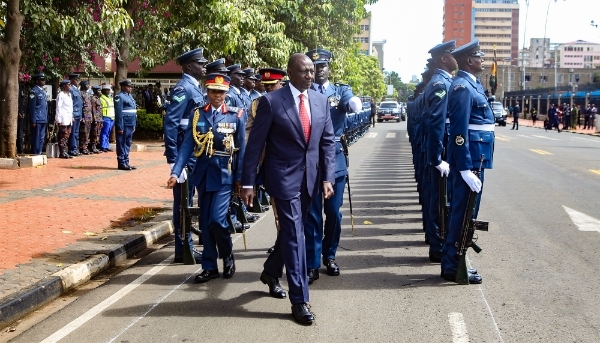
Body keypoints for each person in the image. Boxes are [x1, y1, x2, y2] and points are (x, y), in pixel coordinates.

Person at [241, 53, 336, 325]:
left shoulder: (320, 101)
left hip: (311, 179)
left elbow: (327, 142)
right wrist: (248, 182)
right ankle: (300, 300)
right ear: (290, 73)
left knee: (296, 231)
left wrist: (328, 177)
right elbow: (255, 145)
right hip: (282, 178)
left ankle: (271, 271)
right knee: (295, 235)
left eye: (312, 71)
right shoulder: (271, 102)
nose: (309, 75)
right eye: (304, 71)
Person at [168, 73, 246, 282]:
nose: (217, 96)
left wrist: (241, 178)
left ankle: (227, 253)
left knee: (217, 221)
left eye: (221, 92)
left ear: (226, 93)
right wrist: (176, 172)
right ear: (207, 92)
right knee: (204, 222)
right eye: (213, 91)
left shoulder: (235, 115)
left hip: (224, 175)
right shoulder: (197, 115)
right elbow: (187, 146)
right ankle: (209, 266)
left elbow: (242, 149)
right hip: (202, 174)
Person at [303, 48, 362, 283]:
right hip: (309, 159)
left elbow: (350, 103)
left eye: (323, 66)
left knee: (333, 214)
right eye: (315, 67)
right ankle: (312, 261)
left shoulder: (340, 91)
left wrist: (354, 103)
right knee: (313, 215)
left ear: (329, 68)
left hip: (334, 158)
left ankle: (330, 255)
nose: (319, 70)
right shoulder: (302, 91)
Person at [443, 39, 495, 285]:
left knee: (467, 214)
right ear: (468, 61)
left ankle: (456, 262)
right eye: (478, 56)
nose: (482, 60)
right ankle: (453, 266)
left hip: (477, 158)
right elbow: (459, 131)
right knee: (461, 214)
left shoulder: (471, 85)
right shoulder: (462, 87)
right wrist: (463, 168)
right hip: (469, 161)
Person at [164, 47, 207, 263]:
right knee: (183, 202)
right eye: (200, 63)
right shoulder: (183, 88)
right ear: (189, 66)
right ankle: (184, 248)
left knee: (188, 201)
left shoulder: (195, 87)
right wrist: (174, 160)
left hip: (193, 152)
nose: (203, 66)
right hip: (184, 153)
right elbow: (171, 123)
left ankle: (185, 248)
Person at [422, 40, 456, 263]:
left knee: (441, 198)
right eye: (453, 53)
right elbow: (437, 123)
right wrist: (436, 158)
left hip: (442, 147)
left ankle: (438, 244)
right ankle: (437, 247)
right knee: (439, 199)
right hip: (441, 149)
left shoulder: (443, 81)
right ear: (444, 58)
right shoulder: (441, 84)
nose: (457, 57)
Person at [248, 67, 287, 255]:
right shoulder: (257, 104)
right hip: (270, 162)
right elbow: (249, 133)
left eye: (273, 85)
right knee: (277, 206)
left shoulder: (291, 101)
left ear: (281, 83)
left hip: (293, 161)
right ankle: (282, 241)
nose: (270, 89)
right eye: (266, 85)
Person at [114, 79, 137, 170]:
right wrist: (120, 127)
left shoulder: (129, 96)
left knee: (128, 143)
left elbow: (133, 111)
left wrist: (134, 125)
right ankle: (121, 162)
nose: (130, 88)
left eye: (130, 86)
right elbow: (119, 113)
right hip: (124, 124)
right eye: (128, 86)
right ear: (123, 87)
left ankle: (126, 161)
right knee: (121, 143)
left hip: (130, 123)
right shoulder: (119, 96)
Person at [27, 73, 48, 155]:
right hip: (37, 118)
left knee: (41, 138)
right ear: (37, 81)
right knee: (36, 137)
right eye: (42, 80)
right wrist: (33, 120)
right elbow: (31, 107)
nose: (44, 81)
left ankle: (39, 152)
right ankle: (35, 153)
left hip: (43, 117)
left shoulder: (43, 91)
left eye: (44, 79)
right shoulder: (33, 91)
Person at [55, 80, 74, 159]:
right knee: (63, 135)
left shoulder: (69, 95)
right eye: (68, 85)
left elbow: (70, 108)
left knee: (67, 135)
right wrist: (59, 120)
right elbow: (58, 108)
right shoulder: (61, 95)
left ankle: (65, 151)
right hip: (63, 118)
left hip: (69, 118)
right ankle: (62, 152)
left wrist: (72, 117)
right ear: (63, 86)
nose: (70, 86)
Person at [68, 74, 83, 156]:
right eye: (76, 79)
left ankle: (75, 148)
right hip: (73, 114)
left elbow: (79, 104)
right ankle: (72, 149)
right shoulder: (71, 89)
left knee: (76, 133)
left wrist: (80, 115)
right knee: (73, 133)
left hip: (78, 114)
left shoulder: (76, 90)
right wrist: (72, 115)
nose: (78, 81)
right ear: (72, 80)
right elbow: (71, 104)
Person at [78, 81, 93, 155]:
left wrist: (91, 116)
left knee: (87, 133)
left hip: (88, 116)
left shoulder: (87, 94)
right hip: (84, 117)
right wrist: (82, 117)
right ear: (83, 86)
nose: (88, 86)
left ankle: (85, 147)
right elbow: (80, 106)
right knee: (83, 133)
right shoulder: (80, 94)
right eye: (87, 85)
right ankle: (82, 147)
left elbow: (89, 107)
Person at [99, 85, 115, 152]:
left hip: (111, 117)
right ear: (103, 91)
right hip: (105, 117)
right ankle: (103, 146)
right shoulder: (101, 98)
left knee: (108, 133)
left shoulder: (110, 98)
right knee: (104, 132)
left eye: (109, 90)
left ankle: (106, 145)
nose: (108, 91)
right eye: (106, 90)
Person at [88, 85, 103, 154]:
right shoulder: (93, 99)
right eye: (99, 90)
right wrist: (95, 120)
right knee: (94, 133)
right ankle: (92, 147)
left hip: (99, 119)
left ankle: (95, 146)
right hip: (96, 119)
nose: (100, 92)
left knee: (98, 133)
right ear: (95, 91)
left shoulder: (98, 99)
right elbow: (93, 110)